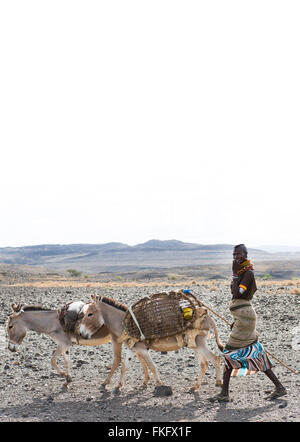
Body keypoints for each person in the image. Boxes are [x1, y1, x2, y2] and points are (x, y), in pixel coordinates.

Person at [210, 244, 287, 402]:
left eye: (239, 254)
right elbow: (235, 294)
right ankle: (279, 387)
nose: (236, 257)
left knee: (229, 353)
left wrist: (234, 274)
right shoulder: (242, 272)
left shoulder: (248, 273)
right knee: (255, 353)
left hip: (245, 319)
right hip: (243, 319)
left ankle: (224, 394)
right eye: (234, 254)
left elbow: (238, 293)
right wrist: (236, 320)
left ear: (246, 254)